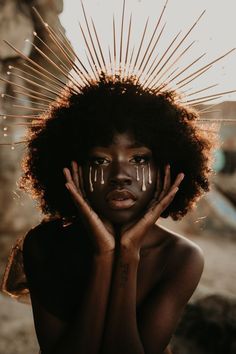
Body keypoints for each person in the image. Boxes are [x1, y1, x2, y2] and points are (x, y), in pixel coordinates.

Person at [3, 74, 213, 354]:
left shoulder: (180, 257)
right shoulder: (44, 244)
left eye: (139, 159)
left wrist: (128, 254)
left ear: (167, 168)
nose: (120, 176)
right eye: (100, 160)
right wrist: (104, 257)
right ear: (72, 170)